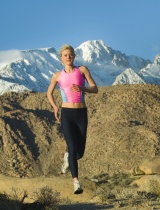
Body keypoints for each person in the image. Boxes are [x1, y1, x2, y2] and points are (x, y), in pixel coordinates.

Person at [46, 44, 98, 194]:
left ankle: (68, 157)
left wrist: (83, 88)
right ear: (61, 58)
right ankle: (76, 181)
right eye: (65, 55)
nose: (68, 57)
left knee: (79, 152)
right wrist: (55, 108)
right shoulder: (57, 75)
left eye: (71, 54)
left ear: (74, 56)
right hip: (67, 114)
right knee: (72, 145)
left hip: (81, 113)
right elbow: (49, 93)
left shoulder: (82, 70)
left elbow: (95, 88)